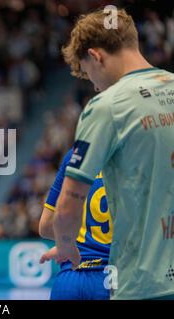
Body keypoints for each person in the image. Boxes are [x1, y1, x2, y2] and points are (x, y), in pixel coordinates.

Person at [40, 8, 174, 300]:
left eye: (89, 75)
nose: (95, 85)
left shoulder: (108, 105)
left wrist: (66, 244)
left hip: (136, 286)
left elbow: (65, 209)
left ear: (96, 56)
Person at [40, 149, 111, 300]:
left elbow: (45, 226)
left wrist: (69, 241)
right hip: (113, 279)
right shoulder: (136, 155)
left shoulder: (75, 155)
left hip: (69, 278)